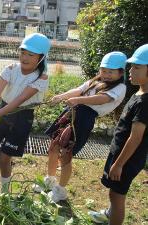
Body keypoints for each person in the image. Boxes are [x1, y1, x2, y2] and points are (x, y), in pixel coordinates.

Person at [34, 51, 128, 203]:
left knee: (66, 155)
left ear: (120, 72)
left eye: (111, 72)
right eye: (104, 70)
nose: (106, 74)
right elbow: (78, 90)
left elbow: (102, 99)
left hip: (84, 118)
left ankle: (61, 190)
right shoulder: (96, 81)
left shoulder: (120, 87)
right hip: (72, 113)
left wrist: (78, 100)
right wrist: (61, 96)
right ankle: (49, 180)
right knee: (53, 147)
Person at [0, 33, 51, 193]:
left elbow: (19, 101)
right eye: (23, 52)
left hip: (22, 117)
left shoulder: (41, 78)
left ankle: (5, 194)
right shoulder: (11, 69)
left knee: (5, 157)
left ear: (41, 57)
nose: (24, 57)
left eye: (30, 54)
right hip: (4, 109)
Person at [89, 44, 148, 225]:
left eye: (137, 67)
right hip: (121, 154)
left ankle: (113, 219)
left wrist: (119, 165)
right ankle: (109, 213)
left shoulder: (145, 103)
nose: (131, 70)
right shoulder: (140, 92)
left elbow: (136, 137)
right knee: (114, 192)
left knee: (117, 195)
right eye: (131, 66)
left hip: (127, 159)